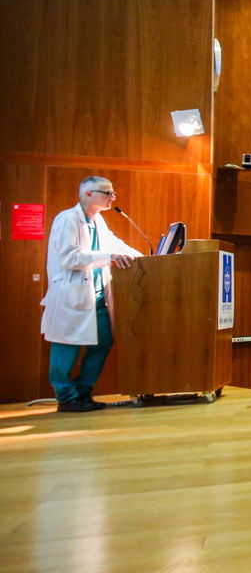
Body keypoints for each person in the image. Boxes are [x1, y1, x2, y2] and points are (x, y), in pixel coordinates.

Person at [40, 176, 142, 411]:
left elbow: (114, 245)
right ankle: (66, 397)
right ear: (87, 194)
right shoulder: (68, 219)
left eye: (113, 193)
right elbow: (69, 257)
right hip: (71, 296)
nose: (112, 198)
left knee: (103, 342)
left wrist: (145, 257)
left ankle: (83, 392)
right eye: (107, 193)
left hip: (96, 298)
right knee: (66, 347)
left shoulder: (99, 222)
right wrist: (109, 259)